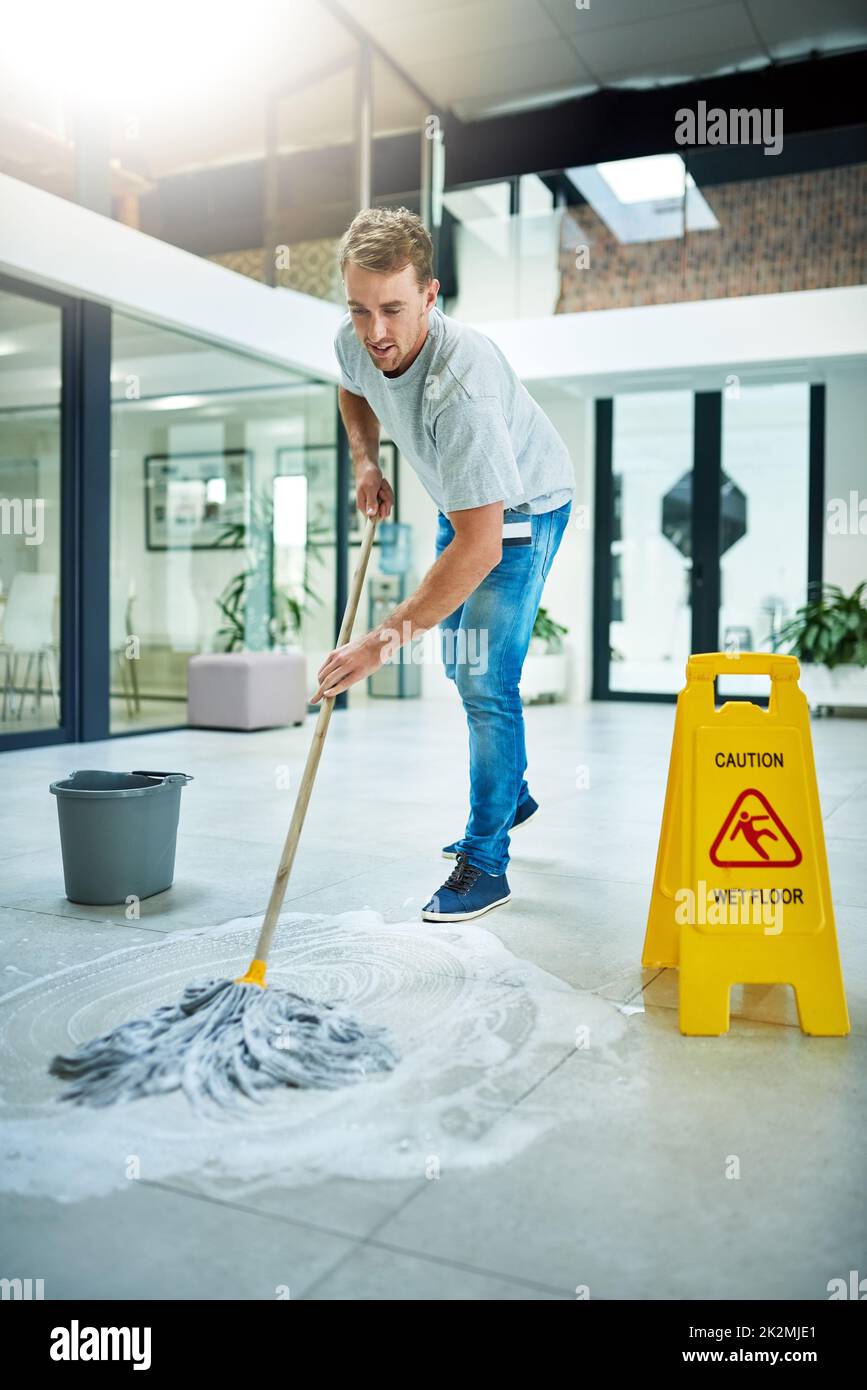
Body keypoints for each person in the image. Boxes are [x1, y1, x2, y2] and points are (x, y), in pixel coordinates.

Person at [311, 207, 574, 922]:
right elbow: (351, 382)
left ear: (430, 295)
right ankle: (510, 793)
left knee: (486, 679)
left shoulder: (462, 385)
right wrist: (366, 461)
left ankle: (485, 861)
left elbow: (481, 544)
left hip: (520, 512)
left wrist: (378, 642)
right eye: (360, 310)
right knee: (461, 666)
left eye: (393, 309)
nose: (375, 333)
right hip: (462, 507)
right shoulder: (358, 336)